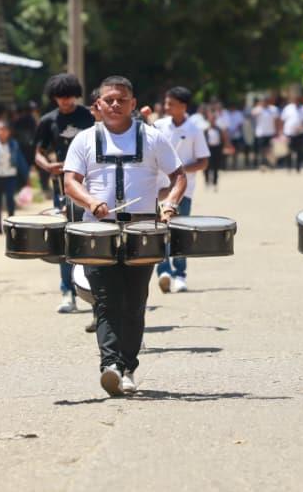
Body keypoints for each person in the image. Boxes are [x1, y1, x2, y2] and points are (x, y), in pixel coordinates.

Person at [64, 76, 186, 396]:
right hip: (99, 230)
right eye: (109, 100)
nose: (115, 104)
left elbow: (178, 176)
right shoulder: (85, 140)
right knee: (105, 300)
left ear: (133, 104)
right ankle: (110, 365)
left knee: (134, 301)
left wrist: (170, 203)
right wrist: (90, 201)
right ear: (98, 105)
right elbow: (71, 182)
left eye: (122, 99)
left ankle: (128, 366)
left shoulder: (153, 138)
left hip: (142, 229)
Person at [34, 73, 97, 313]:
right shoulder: (48, 120)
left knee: (91, 236)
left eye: (69, 96)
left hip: (91, 185)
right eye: (60, 97)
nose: (65, 101)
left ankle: (91, 290)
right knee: (65, 239)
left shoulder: (88, 117)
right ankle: (67, 291)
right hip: (62, 186)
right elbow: (38, 152)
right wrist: (47, 166)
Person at [153, 87, 210, 294]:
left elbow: (203, 161)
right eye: (166, 103)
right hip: (158, 189)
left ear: (183, 106)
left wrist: (179, 172)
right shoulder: (158, 126)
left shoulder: (194, 130)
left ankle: (180, 274)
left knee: (180, 232)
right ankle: (163, 271)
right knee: (158, 230)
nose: (166, 107)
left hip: (183, 190)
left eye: (171, 104)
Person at [281, 96, 303, 173]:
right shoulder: (288, 108)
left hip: (300, 133)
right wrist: (281, 132)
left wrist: (301, 127)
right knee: (288, 151)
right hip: (289, 133)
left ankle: (298, 168)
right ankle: (288, 167)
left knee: (299, 151)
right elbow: (282, 120)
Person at [252, 97, 278, 170]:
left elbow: (276, 121)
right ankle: (263, 163)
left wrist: (277, 131)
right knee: (262, 149)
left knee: (270, 149)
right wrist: (259, 109)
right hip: (261, 133)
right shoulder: (257, 109)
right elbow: (252, 115)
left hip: (271, 132)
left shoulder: (273, 109)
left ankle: (270, 163)